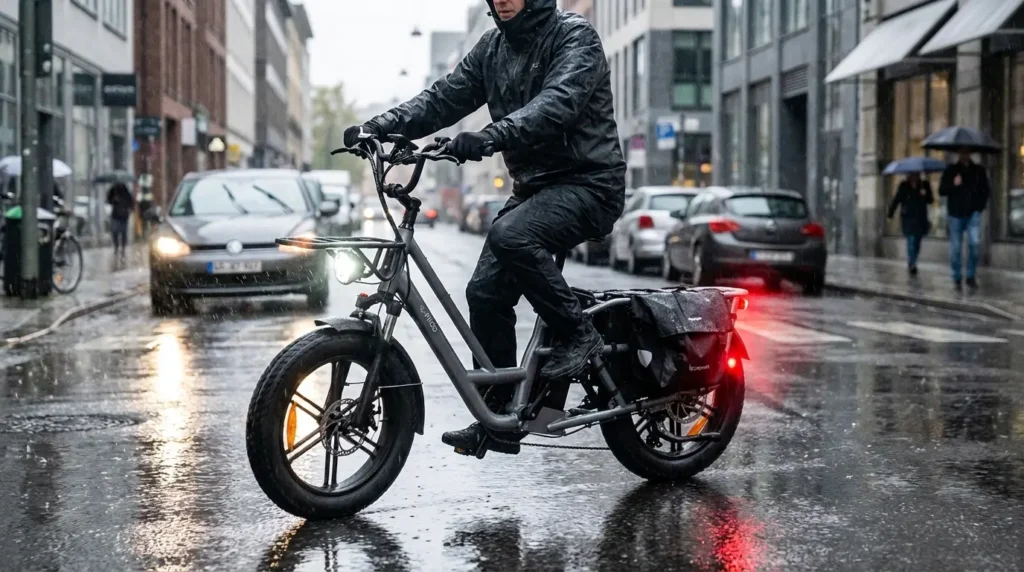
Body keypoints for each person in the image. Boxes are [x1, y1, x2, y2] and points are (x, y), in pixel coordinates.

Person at [343, 0, 625, 454]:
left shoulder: (575, 36)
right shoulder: (492, 48)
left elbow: (558, 104)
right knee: (485, 294)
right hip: (535, 188)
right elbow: (442, 98)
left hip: (589, 183)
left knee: (512, 235)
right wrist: (378, 127)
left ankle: (579, 335)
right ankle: (500, 416)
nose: (504, 0)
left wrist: (491, 136)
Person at [938, 148, 990, 290]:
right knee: (955, 248)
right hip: (955, 214)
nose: (964, 155)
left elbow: (986, 190)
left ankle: (970, 276)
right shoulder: (951, 170)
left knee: (974, 244)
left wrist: (979, 207)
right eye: (962, 152)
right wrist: (953, 184)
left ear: (970, 153)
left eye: (967, 152)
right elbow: (942, 190)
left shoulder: (979, 170)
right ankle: (956, 278)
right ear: (959, 154)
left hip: (973, 214)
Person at [887, 172, 933, 276]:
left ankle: (912, 260)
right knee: (911, 241)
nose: (914, 176)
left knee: (917, 243)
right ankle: (913, 264)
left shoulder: (924, 184)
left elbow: (931, 200)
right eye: (912, 174)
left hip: (921, 219)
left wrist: (925, 194)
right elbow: (896, 200)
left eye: (916, 174)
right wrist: (890, 214)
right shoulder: (904, 185)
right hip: (908, 218)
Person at [106, 181, 134, 259]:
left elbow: (131, 202)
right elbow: (108, 200)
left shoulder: (126, 191)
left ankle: (123, 248)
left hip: (124, 215)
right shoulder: (113, 190)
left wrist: (129, 209)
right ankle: (116, 247)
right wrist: (114, 200)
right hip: (115, 215)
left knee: (123, 233)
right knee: (115, 232)